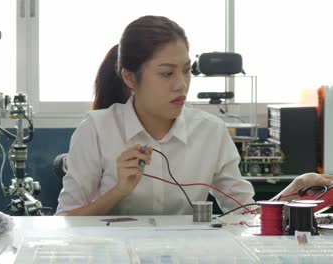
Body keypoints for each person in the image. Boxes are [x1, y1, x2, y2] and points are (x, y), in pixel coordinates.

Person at [56, 15, 333, 216]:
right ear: (130, 77)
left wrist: (296, 189)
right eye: (166, 73)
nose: (181, 84)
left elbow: (245, 214)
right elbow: (65, 221)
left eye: (186, 70)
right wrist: (118, 191)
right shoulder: (96, 129)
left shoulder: (209, 131)